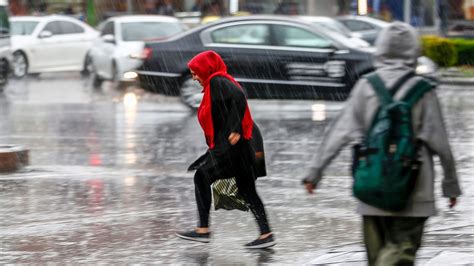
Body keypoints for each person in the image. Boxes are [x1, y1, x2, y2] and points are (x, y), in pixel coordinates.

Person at [302, 22, 461, 265]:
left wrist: (315, 172)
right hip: (415, 190)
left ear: (381, 48)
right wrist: (450, 186)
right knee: (401, 251)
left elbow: (339, 133)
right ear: (414, 50)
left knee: (378, 257)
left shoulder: (366, 86)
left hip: (372, 186)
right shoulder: (424, 90)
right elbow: (441, 144)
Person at [176, 50, 276, 249]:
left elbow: (239, 96)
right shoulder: (217, 83)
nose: (194, 77)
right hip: (241, 145)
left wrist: (235, 128)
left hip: (234, 147)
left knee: (202, 177)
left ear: (206, 69)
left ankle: (203, 230)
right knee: (247, 190)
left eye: (196, 72)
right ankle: (266, 234)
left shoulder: (217, 81)